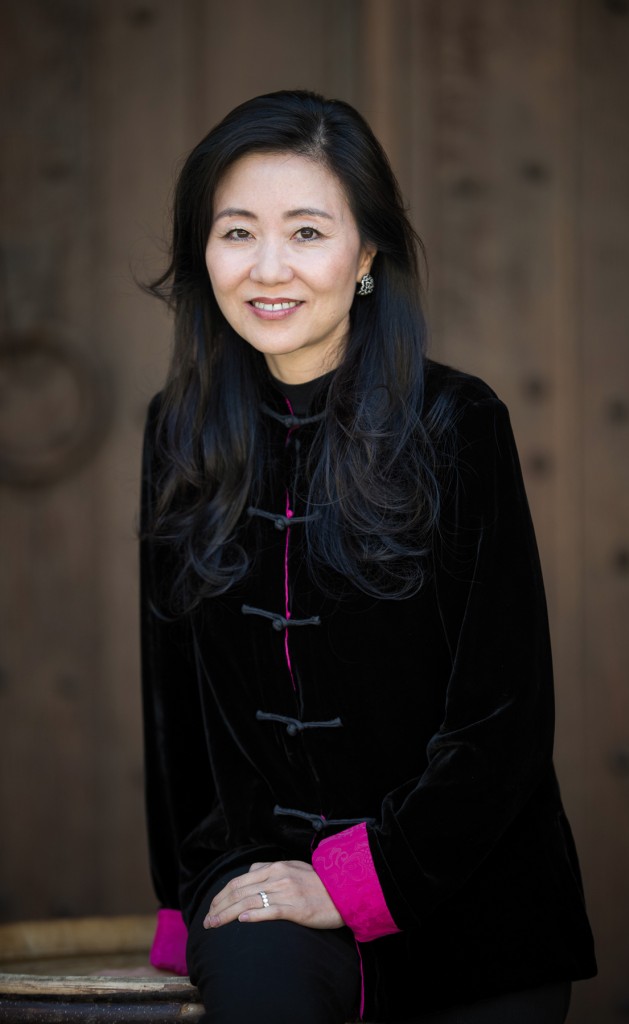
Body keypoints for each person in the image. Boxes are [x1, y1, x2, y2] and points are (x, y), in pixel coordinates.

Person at [139, 90, 596, 1024]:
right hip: (265, 891)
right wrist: (190, 895)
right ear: (203, 252)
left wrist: (358, 880)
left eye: (307, 232)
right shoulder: (177, 432)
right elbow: (174, 712)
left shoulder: (456, 424)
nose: (268, 268)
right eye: (237, 233)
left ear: (367, 256)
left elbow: (501, 721)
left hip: (470, 900)